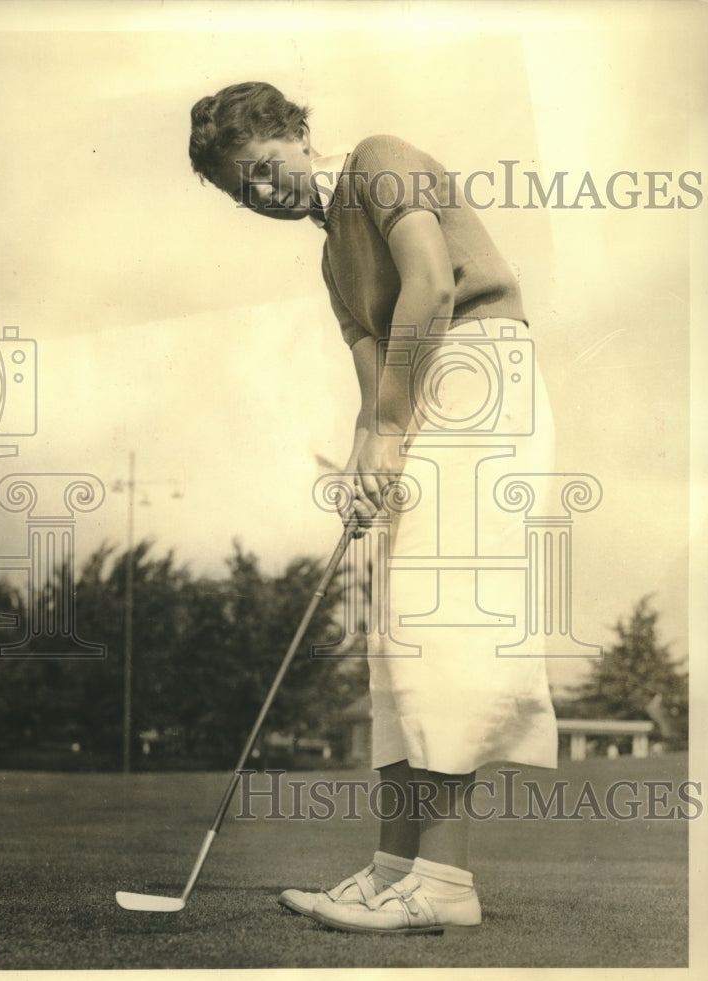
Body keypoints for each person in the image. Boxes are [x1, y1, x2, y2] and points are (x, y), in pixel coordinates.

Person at [188, 81, 558, 935]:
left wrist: (393, 425)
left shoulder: (380, 159)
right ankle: (396, 868)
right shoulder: (328, 257)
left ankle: (444, 884)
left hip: (478, 374)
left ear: (295, 134)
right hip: (420, 392)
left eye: (265, 167)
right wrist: (368, 454)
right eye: (243, 190)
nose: (263, 194)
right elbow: (370, 366)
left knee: (447, 618)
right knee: (399, 634)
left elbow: (429, 287)